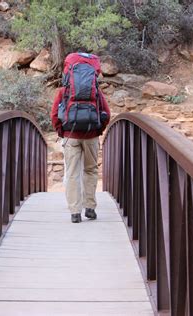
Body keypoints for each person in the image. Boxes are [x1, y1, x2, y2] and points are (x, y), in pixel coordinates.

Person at [51, 53, 111, 223]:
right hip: (91, 135)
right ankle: (90, 208)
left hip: (71, 135)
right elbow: (107, 114)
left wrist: (61, 132)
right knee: (90, 170)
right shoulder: (96, 92)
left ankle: (75, 212)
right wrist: (98, 131)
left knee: (71, 173)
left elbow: (55, 115)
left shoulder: (64, 91)